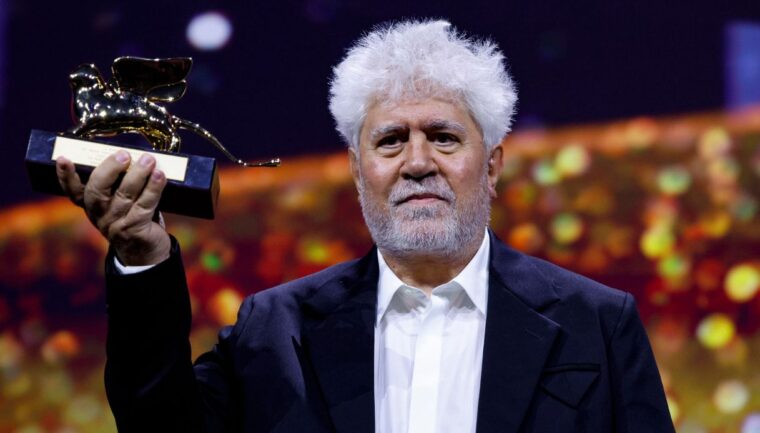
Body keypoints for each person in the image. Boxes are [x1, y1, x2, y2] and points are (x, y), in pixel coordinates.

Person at [55, 19, 675, 433]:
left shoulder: (597, 323)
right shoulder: (274, 330)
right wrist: (143, 260)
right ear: (358, 172)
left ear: (491, 166)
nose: (417, 162)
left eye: (443, 137)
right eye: (390, 140)